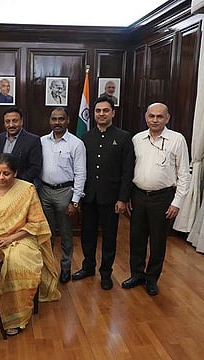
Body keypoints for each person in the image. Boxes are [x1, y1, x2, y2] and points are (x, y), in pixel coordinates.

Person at [0, 153, 60, 336]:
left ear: (15, 172)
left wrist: (11, 238)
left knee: (15, 264)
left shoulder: (27, 190)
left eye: (6, 173)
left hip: (21, 238)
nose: (1, 177)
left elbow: (35, 224)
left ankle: (15, 317)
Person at [122, 103, 190, 296]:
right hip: (138, 196)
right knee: (137, 239)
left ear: (167, 118)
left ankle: (152, 279)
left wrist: (177, 202)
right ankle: (137, 274)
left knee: (158, 241)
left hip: (163, 198)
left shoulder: (177, 140)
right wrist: (127, 197)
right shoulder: (137, 139)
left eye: (159, 116)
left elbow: (184, 174)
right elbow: (128, 171)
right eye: (151, 116)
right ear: (145, 117)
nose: (155, 120)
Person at [72, 96, 134, 290]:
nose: (101, 114)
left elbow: (127, 171)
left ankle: (106, 273)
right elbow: (80, 168)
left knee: (109, 237)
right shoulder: (86, 137)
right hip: (89, 196)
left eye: (105, 110)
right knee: (87, 235)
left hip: (112, 198)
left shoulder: (123, 137)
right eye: (98, 111)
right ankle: (88, 266)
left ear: (113, 113)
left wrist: (123, 198)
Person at [39, 107, 86, 283]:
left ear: (67, 121)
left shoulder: (76, 144)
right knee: (46, 234)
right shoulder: (42, 141)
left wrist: (75, 201)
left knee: (66, 235)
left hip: (65, 192)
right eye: (54, 119)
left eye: (61, 119)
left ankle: (65, 268)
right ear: (50, 121)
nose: (57, 122)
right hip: (44, 192)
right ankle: (49, 268)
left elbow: (81, 173)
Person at [0, 106, 42, 187]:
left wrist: (15, 182)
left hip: (22, 186)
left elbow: (35, 168)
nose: (11, 125)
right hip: (1, 185)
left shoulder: (33, 140)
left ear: (21, 121)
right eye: (7, 121)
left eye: (15, 121)